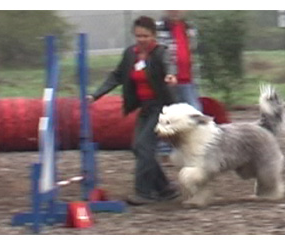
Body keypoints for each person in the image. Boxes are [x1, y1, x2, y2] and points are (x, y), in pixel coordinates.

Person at [86, 16, 179, 205]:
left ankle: (143, 193)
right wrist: (95, 95)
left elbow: (169, 65)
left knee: (144, 146)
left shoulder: (161, 52)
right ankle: (165, 189)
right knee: (138, 147)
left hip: (161, 109)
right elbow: (116, 76)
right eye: (138, 36)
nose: (141, 39)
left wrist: (170, 75)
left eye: (145, 36)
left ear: (153, 35)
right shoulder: (130, 54)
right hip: (144, 108)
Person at [156, 10, 202, 111]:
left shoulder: (190, 28)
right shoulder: (158, 29)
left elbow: (192, 52)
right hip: (168, 83)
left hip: (189, 81)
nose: (175, 10)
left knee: (195, 113)